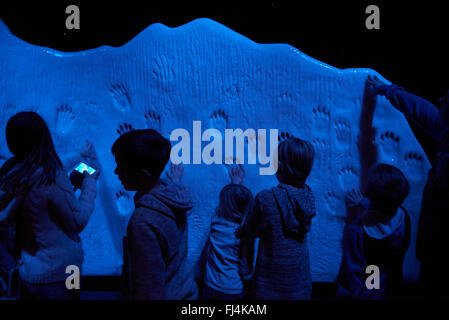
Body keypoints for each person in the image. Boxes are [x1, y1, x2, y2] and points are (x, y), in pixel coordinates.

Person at [0, 111, 100, 300]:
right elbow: (77, 221)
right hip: (65, 273)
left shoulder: (12, 171)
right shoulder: (51, 176)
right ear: (44, 137)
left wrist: (78, 155)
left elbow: (45, 163)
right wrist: (90, 183)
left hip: (29, 272)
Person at [367, 75, 449, 297]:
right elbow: (422, 110)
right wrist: (388, 90)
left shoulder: (357, 230)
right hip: (427, 246)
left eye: (446, 98)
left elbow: (357, 265)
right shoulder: (403, 224)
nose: (440, 99)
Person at [111, 129, 198, 300]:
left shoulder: (142, 223)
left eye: (121, 166)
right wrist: (175, 181)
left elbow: (148, 289)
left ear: (143, 176)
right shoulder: (171, 196)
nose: (116, 172)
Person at [237, 137, 316, 300]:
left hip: (269, 285)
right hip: (300, 284)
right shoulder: (308, 196)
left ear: (279, 166)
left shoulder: (266, 198)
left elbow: (250, 230)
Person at [336, 164, 411, 299]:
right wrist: (365, 203)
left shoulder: (356, 229)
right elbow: (386, 208)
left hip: (365, 293)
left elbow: (351, 273)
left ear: (370, 195)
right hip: (389, 288)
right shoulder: (403, 218)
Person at [201, 165, 254, 300]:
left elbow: (223, 207)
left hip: (209, 285)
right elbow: (245, 268)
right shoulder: (244, 233)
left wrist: (234, 184)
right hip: (232, 290)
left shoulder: (216, 223)